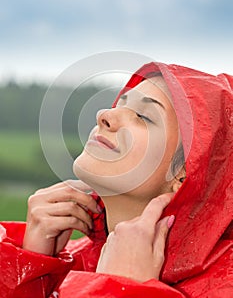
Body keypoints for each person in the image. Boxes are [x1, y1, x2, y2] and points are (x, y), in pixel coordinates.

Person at [0, 61, 232, 298]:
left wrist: (121, 289)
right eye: (120, 104)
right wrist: (31, 268)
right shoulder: (70, 256)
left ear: (186, 174)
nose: (104, 114)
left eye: (143, 116)